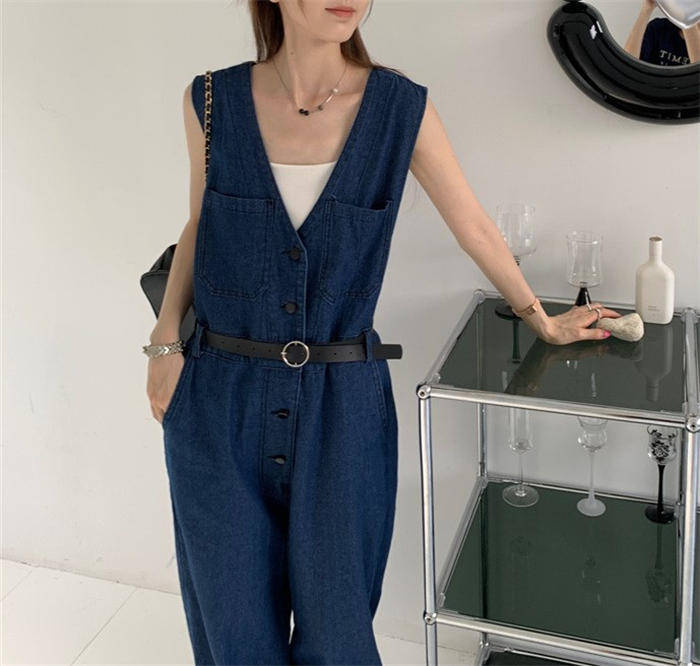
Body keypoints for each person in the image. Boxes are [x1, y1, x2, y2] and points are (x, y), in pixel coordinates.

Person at [144, 1, 622, 663]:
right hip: (215, 397)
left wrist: (541, 318)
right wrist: (164, 342)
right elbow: (199, 225)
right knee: (233, 636)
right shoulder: (210, 101)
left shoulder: (399, 109)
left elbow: (473, 225)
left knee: (337, 635)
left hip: (343, 408)